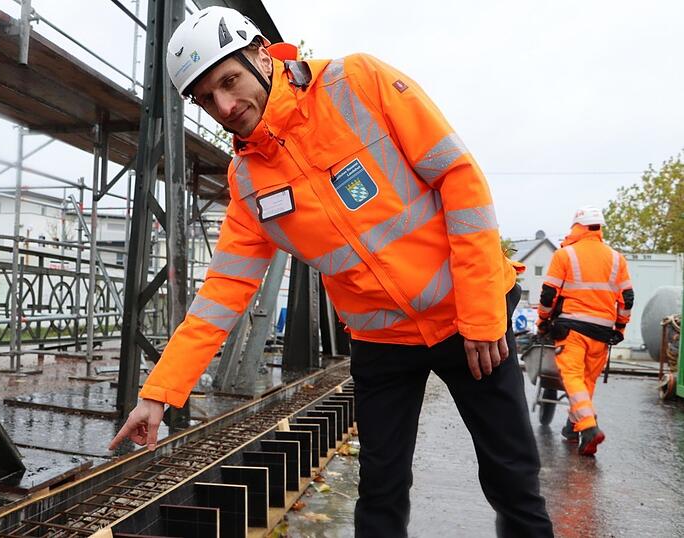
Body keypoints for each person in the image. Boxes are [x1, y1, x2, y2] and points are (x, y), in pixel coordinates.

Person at [109, 6, 554, 536]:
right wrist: (159, 392)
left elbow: (459, 179)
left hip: (468, 317)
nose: (225, 106)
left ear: (261, 54)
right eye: (206, 99)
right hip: (382, 340)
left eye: (229, 82)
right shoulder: (248, 181)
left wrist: (481, 314)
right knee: (380, 491)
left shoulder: (356, 83)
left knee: (511, 479)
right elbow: (223, 291)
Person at [537, 206, 633, 456]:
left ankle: (588, 427)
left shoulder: (565, 255)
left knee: (573, 378)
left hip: (572, 328)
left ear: (577, 227)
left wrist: (542, 321)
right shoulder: (616, 259)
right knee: (587, 382)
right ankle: (573, 427)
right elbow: (627, 298)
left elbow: (548, 294)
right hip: (602, 331)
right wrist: (620, 328)